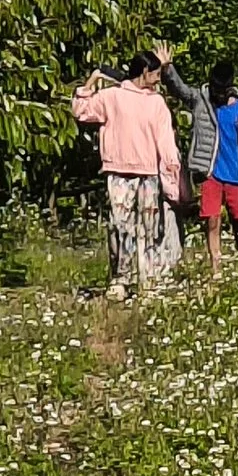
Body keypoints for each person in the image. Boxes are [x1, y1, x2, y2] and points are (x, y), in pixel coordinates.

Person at [71, 52, 184, 299]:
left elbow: (166, 143)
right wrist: (89, 84)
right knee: (121, 227)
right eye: (155, 75)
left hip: (147, 174)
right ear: (144, 73)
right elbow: (81, 111)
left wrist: (171, 172)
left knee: (148, 227)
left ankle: (147, 279)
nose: (157, 80)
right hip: (119, 171)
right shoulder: (112, 97)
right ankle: (121, 279)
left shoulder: (156, 103)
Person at [158, 48, 238, 280]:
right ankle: (216, 266)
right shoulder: (200, 99)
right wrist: (168, 68)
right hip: (210, 172)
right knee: (212, 218)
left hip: (235, 174)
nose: (217, 94)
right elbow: (179, 89)